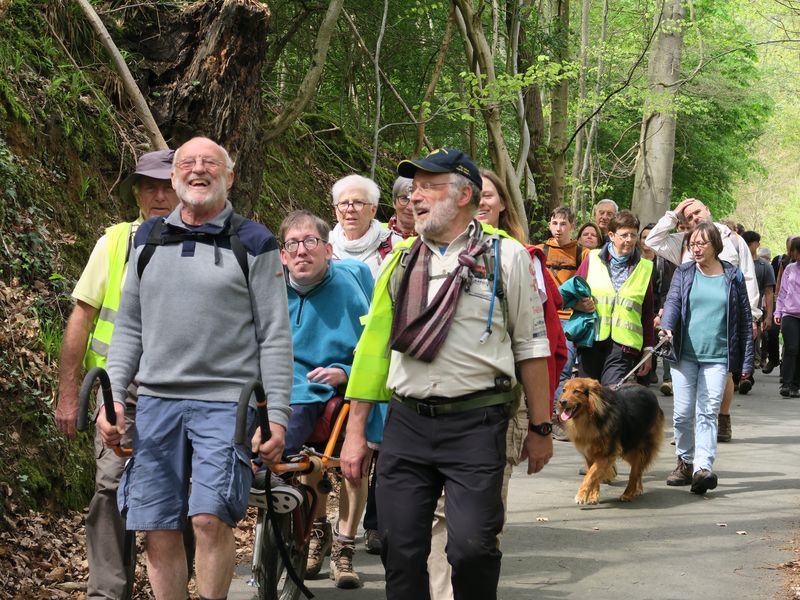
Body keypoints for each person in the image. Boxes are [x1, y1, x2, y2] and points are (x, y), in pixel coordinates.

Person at [340, 148, 553, 600]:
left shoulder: (506, 257)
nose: (413, 197)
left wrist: (540, 426)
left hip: (476, 425)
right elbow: (374, 352)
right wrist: (356, 432)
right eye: (413, 188)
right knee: (398, 548)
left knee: (473, 548)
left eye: (428, 187)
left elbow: (533, 348)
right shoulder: (397, 264)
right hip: (406, 425)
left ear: (464, 196)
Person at [100, 137, 293, 600]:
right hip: (156, 401)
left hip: (227, 402)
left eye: (211, 163)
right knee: (156, 524)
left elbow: (275, 336)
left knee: (209, 517)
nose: (198, 170)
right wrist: (113, 403)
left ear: (229, 176)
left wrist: (278, 417)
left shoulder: (254, 241)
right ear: (173, 176)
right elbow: (129, 326)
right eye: (188, 163)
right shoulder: (146, 239)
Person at [425, 168, 567, 600]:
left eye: (489, 196)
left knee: (479, 519)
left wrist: (538, 421)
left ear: (503, 203)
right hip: (432, 410)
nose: (481, 202)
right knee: (435, 515)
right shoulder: (426, 255)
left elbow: (543, 346)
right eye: (474, 195)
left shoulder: (522, 260)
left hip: (501, 406)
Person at [55, 150, 178, 600]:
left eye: (167, 185)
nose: (159, 196)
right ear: (137, 194)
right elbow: (81, 317)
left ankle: (173, 583)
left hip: (181, 385)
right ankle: (108, 592)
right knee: (110, 486)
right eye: (150, 187)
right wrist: (70, 395)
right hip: (118, 387)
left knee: (174, 488)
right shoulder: (113, 243)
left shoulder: (206, 242)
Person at [277, 210, 374, 588]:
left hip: (340, 390)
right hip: (283, 387)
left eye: (310, 242)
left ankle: (346, 545)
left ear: (328, 249)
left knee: (353, 462)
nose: (302, 251)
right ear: (282, 255)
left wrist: (345, 372)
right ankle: (316, 529)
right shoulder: (268, 290)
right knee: (289, 455)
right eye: (292, 244)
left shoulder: (349, 287)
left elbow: (371, 348)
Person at [645, 198, 760, 442]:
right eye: (688, 217)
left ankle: (723, 417)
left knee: (723, 374)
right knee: (689, 377)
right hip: (689, 322)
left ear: (707, 209)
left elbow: (748, 279)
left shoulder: (734, 240)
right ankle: (689, 431)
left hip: (725, 319)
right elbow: (652, 240)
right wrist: (673, 215)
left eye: (697, 212)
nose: (694, 218)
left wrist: (752, 316)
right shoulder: (685, 242)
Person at [661, 222, 754, 494]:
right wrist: (667, 325)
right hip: (685, 354)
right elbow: (674, 302)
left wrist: (746, 362)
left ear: (715, 245)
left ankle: (703, 468)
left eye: (702, 243)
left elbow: (744, 319)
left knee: (707, 412)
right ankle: (684, 461)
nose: (696, 248)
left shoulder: (732, 276)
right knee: (681, 414)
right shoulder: (684, 272)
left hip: (718, 356)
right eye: (693, 244)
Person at [574, 210, 654, 385]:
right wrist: (579, 304)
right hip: (591, 340)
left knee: (611, 395)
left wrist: (648, 349)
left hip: (623, 346)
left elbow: (647, 313)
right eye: (624, 235)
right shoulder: (592, 258)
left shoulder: (645, 267)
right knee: (588, 396)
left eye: (633, 235)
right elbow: (570, 294)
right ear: (611, 235)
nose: (629, 240)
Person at [536, 206, 589, 439]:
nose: (559, 228)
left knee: (563, 366)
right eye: (555, 223)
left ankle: (559, 417)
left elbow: (588, 288)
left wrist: (577, 305)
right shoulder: (539, 251)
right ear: (549, 225)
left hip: (568, 320)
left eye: (564, 224)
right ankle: (542, 414)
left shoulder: (583, 253)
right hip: (542, 316)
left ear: (572, 226)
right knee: (539, 367)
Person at [330, 174, 401, 278]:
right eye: (344, 203)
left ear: (373, 210)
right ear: (336, 211)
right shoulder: (324, 245)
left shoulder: (394, 246)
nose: (350, 209)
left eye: (358, 202)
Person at [639, 223, 676, 395]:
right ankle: (646, 373)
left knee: (663, 338)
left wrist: (660, 313)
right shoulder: (634, 260)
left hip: (656, 308)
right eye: (644, 237)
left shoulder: (663, 263)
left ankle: (667, 379)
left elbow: (666, 290)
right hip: (636, 309)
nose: (646, 241)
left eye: (650, 237)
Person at [741, 231, 775, 374]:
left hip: (755, 310)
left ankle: (746, 375)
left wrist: (768, 316)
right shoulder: (738, 263)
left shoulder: (764, 266)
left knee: (751, 342)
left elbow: (769, 292)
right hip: (737, 308)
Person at [775, 236, 800, 397]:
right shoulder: (790, 269)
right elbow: (782, 292)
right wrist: (778, 311)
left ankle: (796, 385)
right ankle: (786, 383)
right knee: (791, 348)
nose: (796, 254)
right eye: (795, 251)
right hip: (790, 314)